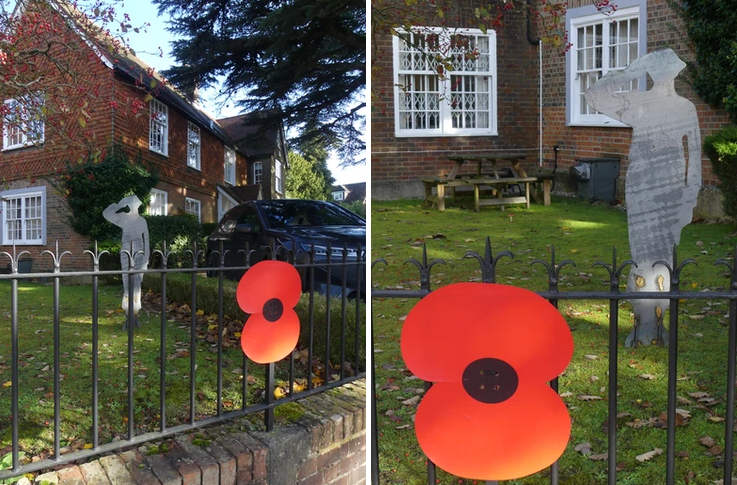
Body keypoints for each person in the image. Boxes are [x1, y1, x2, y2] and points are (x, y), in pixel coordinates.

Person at [585, 48, 701, 346]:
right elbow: (595, 96)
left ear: (676, 72)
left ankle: (658, 323)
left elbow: (695, 155)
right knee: (641, 255)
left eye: (665, 68)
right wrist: (630, 72)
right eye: (654, 68)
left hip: (670, 185)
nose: (661, 74)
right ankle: (642, 322)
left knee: (663, 254)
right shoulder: (638, 103)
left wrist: (690, 194)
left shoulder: (685, 108)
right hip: (641, 185)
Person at [103, 195, 150, 329]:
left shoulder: (142, 221)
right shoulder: (123, 217)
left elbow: (146, 241)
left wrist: (146, 260)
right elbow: (106, 213)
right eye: (130, 203)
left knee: (136, 285)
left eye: (135, 203)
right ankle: (128, 314)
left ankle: (135, 315)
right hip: (125, 253)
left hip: (139, 255)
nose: (133, 205)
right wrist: (118, 205)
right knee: (126, 284)